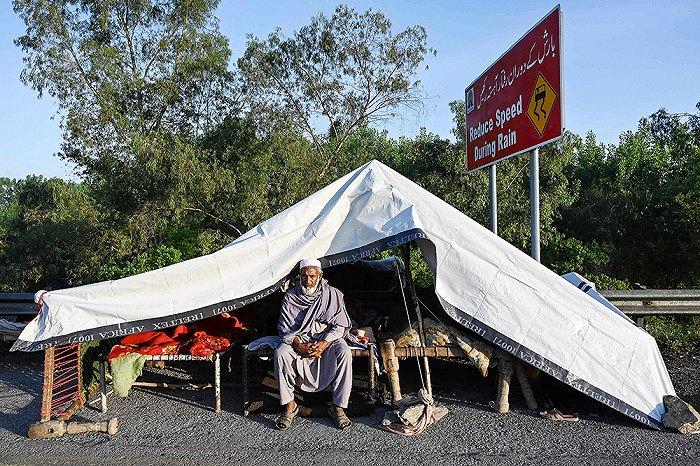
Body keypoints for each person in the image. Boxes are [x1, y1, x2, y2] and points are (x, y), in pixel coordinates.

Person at [274, 258, 353, 430]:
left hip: (327, 339)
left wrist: (323, 344)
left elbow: (340, 325)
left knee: (344, 351)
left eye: (311, 276)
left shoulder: (333, 294)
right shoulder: (290, 296)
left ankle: (338, 407)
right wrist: (299, 346)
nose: (307, 281)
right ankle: (290, 406)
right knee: (281, 353)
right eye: (304, 276)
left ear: (320, 275)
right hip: (299, 340)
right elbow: (285, 329)